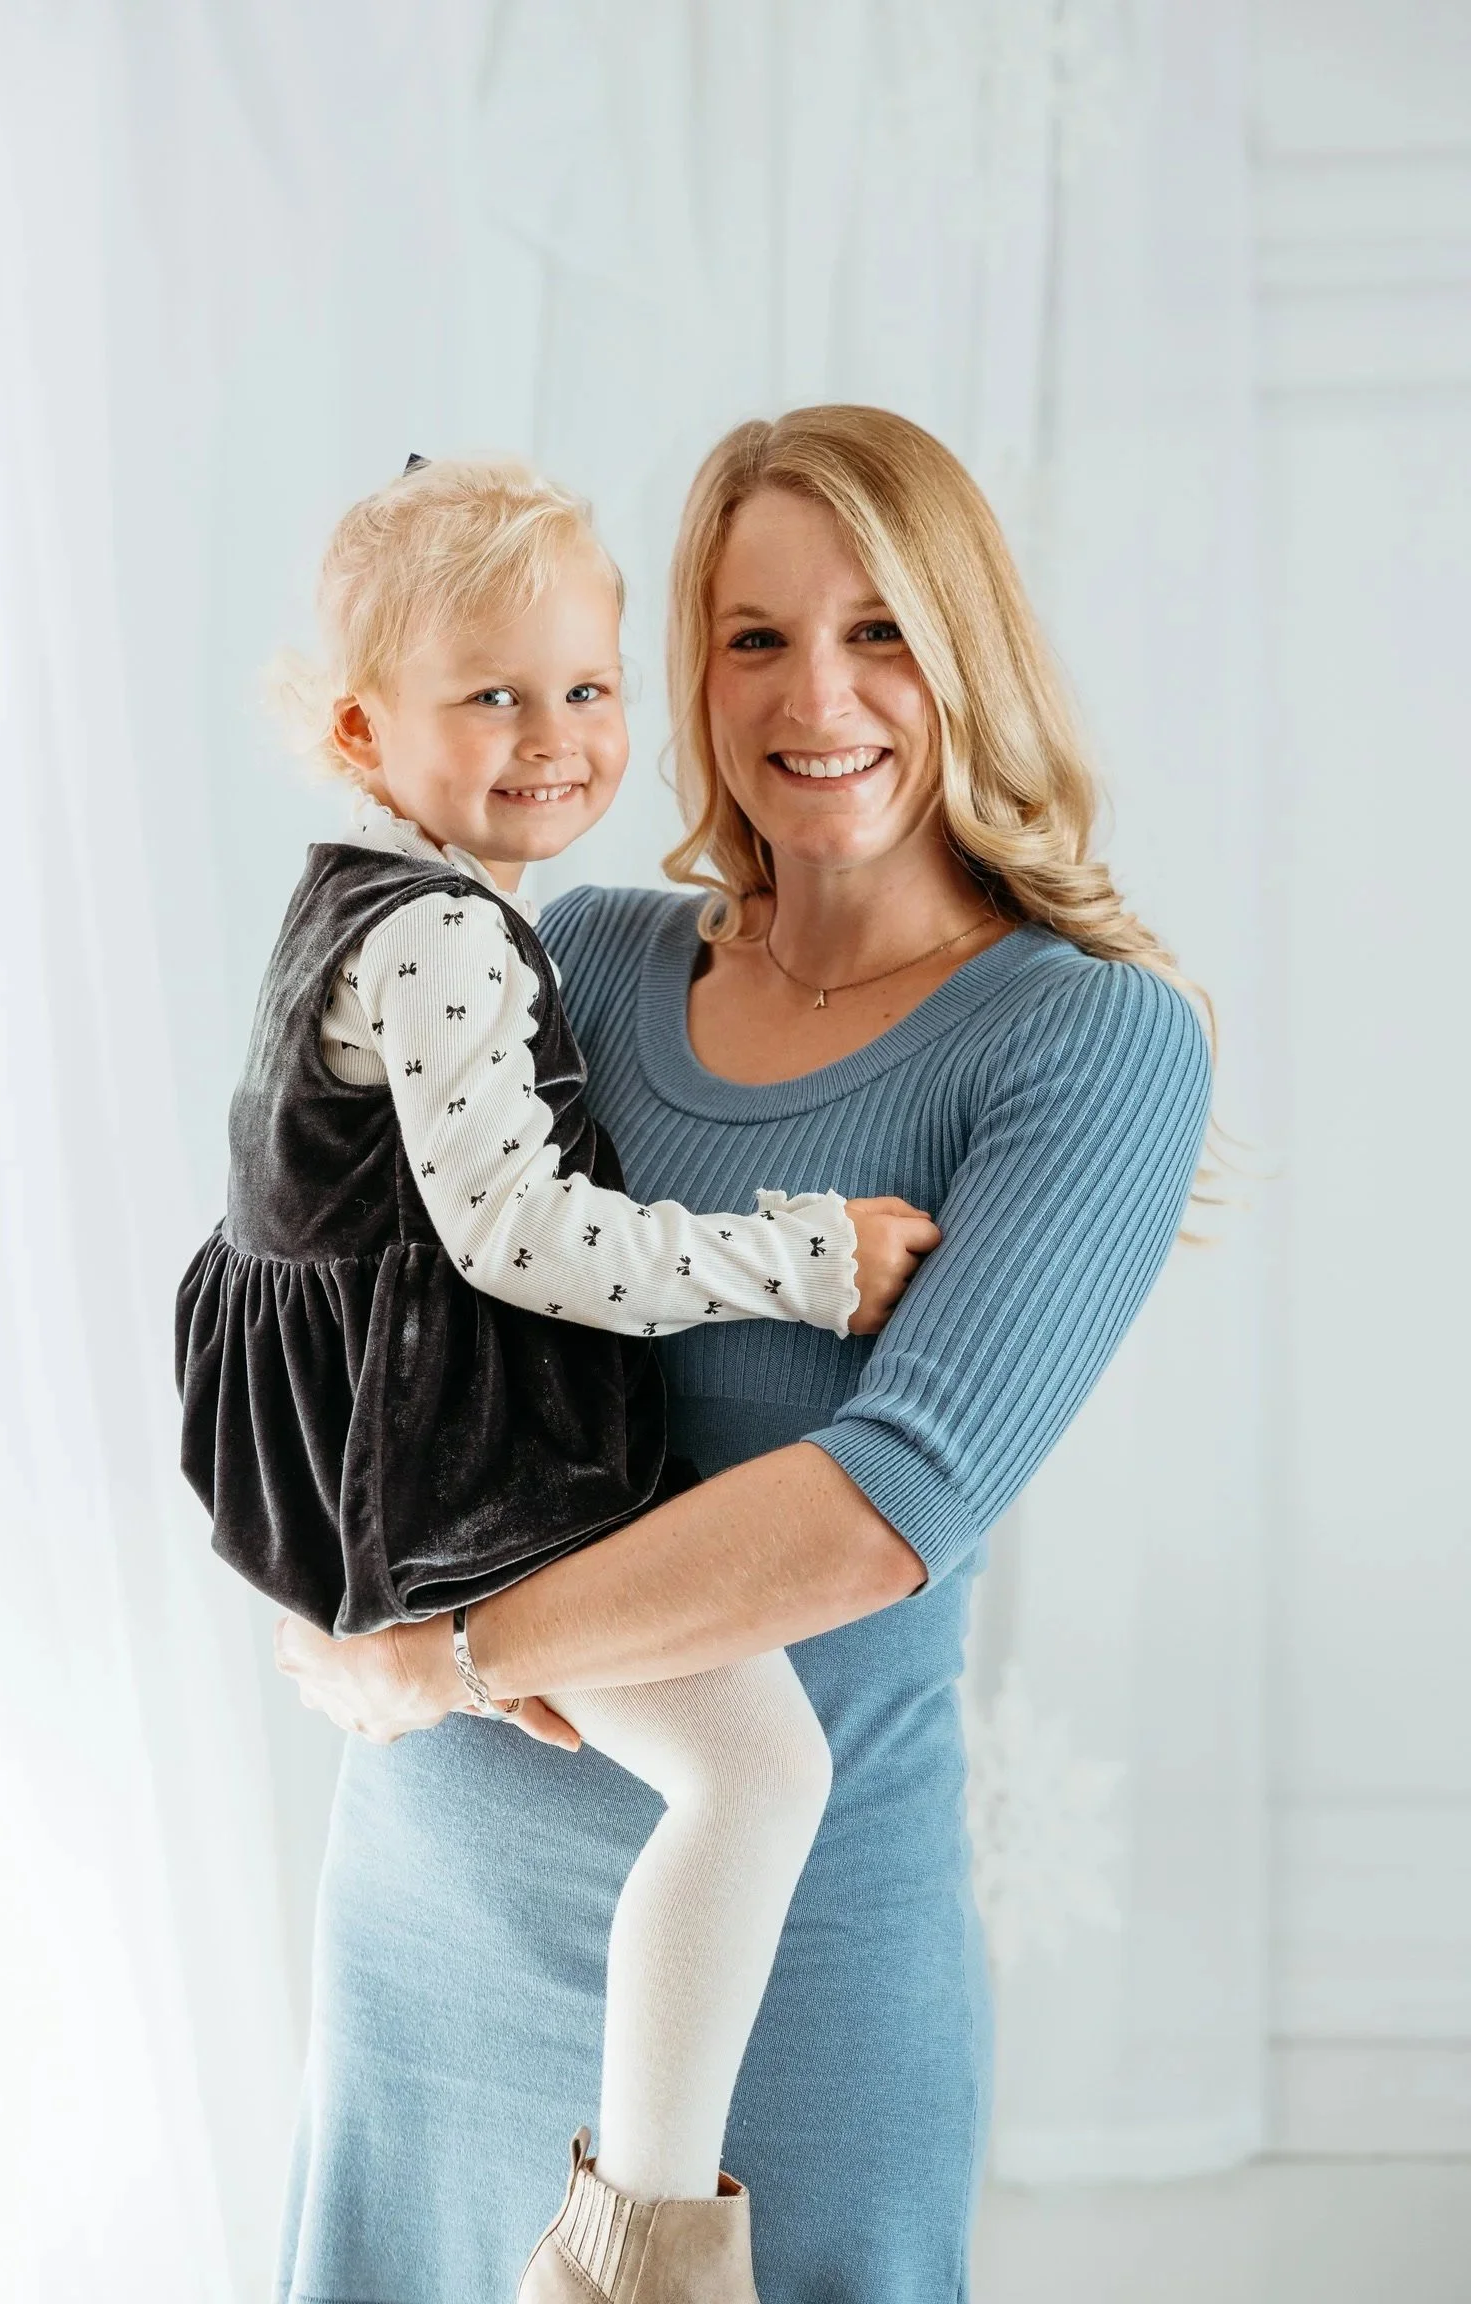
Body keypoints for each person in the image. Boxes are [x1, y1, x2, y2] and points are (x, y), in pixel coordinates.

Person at [272, 406, 1215, 2304]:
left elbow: (879, 1513)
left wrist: (442, 1652)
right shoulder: (580, 959)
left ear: (971, 648)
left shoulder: (1085, 1043)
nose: (820, 696)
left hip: (777, 2003)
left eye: (880, 630)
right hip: (431, 1928)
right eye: (756, 635)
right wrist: (307, 1566)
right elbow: (351, 1279)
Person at [175, 454, 938, 2304]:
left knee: (724, 1759)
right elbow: (534, 1239)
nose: (553, 736)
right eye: (491, 696)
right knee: (758, 1773)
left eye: (586, 689)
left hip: (373, 1437)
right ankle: (642, 2251)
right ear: (369, 726)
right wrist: (807, 1252)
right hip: (448, 1458)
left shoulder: (359, 904)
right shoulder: (445, 934)